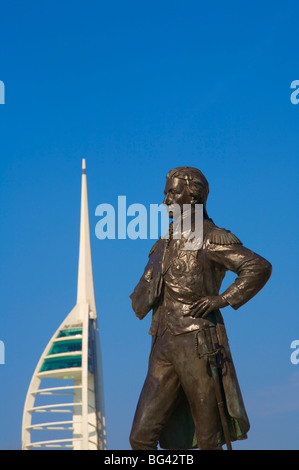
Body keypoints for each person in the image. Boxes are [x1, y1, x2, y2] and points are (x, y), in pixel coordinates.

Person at [129, 166, 272, 450]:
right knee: (140, 438)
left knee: (208, 438)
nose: (165, 201)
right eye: (165, 194)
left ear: (193, 198)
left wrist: (221, 300)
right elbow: (139, 298)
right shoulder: (162, 246)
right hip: (162, 344)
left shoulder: (211, 237)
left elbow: (258, 267)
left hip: (198, 343)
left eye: (172, 193)